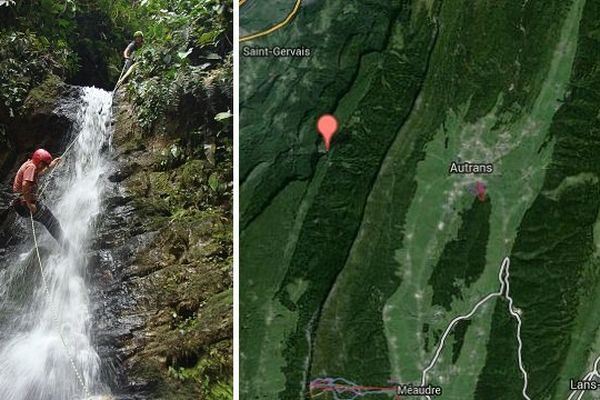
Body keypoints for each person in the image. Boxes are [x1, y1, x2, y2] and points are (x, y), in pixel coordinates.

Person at [12, 149, 67, 248]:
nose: (44, 167)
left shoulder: (31, 165)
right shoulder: (31, 167)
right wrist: (30, 204)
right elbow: (25, 185)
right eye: (44, 164)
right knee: (52, 222)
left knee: (51, 223)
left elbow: (40, 173)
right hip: (25, 204)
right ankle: (67, 247)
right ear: (39, 161)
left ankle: (65, 245)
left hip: (21, 203)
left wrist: (52, 165)